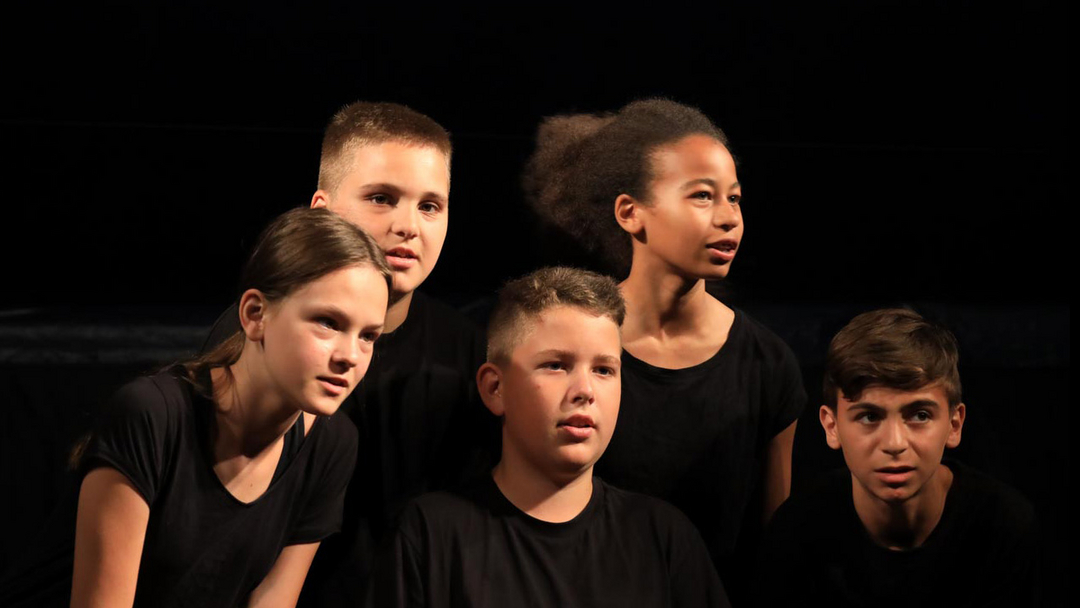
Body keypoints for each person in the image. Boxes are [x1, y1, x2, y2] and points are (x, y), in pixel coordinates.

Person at [0, 207, 391, 607]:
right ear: (255, 314)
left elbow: (273, 600)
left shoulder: (331, 443)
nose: (350, 356)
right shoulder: (153, 415)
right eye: (328, 322)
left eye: (368, 336)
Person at [201, 101, 490, 605]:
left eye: (429, 206)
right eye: (381, 198)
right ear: (322, 210)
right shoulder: (261, 336)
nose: (408, 226)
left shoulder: (466, 350)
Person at [523, 99, 806, 597]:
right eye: (702, 196)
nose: (729, 218)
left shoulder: (767, 363)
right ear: (631, 213)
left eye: (735, 198)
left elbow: (775, 542)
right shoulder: (573, 347)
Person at [376, 267, 729, 608]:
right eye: (556, 365)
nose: (585, 390)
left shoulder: (663, 538)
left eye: (604, 370)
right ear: (495, 388)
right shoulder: (431, 535)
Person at [756, 308, 1039, 607]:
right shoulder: (798, 529)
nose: (894, 444)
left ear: (954, 425)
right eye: (869, 416)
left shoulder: (1002, 526)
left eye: (920, 415)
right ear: (832, 426)